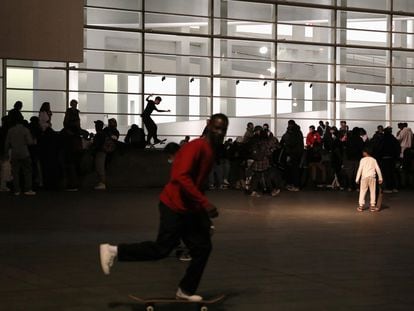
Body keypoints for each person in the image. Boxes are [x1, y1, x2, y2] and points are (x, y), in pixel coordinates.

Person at [99, 113, 229, 302]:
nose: (220, 132)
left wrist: (203, 216)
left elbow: (197, 183)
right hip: (173, 206)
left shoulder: (209, 149)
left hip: (188, 209)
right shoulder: (197, 147)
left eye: (223, 129)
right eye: (217, 128)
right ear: (208, 125)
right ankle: (113, 251)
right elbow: (180, 176)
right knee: (162, 249)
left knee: (202, 248)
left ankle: (185, 291)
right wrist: (205, 204)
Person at [4, 117, 36, 195]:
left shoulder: (10, 130)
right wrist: (34, 141)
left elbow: (7, 143)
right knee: (27, 171)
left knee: (15, 172)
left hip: (14, 153)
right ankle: (27, 189)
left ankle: (16, 190)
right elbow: (29, 142)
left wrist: (6, 152)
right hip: (24, 152)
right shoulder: (25, 130)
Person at [355, 147, 383, 212]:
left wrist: (357, 179)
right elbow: (378, 169)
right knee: (372, 191)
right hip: (372, 177)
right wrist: (380, 178)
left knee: (362, 191)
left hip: (364, 177)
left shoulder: (362, 160)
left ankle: (361, 206)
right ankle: (372, 206)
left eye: (363, 152)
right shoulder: (374, 160)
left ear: (365, 152)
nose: (362, 153)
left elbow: (360, 169)